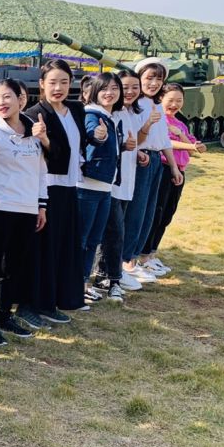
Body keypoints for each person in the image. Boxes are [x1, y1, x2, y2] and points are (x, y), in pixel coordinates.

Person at [0, 79, 48, 345]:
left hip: (27, 209)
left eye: (7, 97)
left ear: (21, 99)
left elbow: (41, 172)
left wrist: (41, 206)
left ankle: (4, 315)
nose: (1, 103)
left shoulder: (34, 130)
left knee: (15, 267)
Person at [22, 59, 87, 324]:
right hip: (47, 187)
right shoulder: (34, 114)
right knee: (43, 248)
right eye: (52, 82)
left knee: (63, 245)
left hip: (70, 185)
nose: (58, 88)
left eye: (64, 82)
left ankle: (60, 298)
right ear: (41, 84)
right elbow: (38, 155)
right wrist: (45, 140)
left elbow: (81, 144)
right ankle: (36, 304)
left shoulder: (76, 110)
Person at [124, 57, 183, 280]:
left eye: (159, 79)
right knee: (136, 211)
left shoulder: (156, 104)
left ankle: (136, 257)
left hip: (156, 159)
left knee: (149, 213)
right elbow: (134, 138)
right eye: (149, 78)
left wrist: (174, 167)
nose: (154, 83)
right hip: (141, 159)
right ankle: (127, 261)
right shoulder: (135, 104)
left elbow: (164, 139)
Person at [94, 69, 144, 299]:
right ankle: (108, 275)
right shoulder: (104, 115)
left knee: (116, 229)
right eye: (123, 87)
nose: (128, 92)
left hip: (124, 180)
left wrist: (134, 150)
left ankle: (109, 273)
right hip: (109, 183)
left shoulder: (126, 113)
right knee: (113, 231)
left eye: (134, 87)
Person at [141, 84, 204, 265]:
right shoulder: (158, 118)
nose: (174, 104)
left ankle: (152, 253)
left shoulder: (180, 124)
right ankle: (144, 254)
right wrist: (190, 145)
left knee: (167, 215)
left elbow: (192, 148)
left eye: (179, 100)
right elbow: (166, 142)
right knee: (156, 213)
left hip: (179, 170)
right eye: (170, 100)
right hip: (164, 168)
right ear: (161, 99)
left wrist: (182, 135)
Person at [78, 73, 124, 303]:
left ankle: (83, 283)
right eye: (104, 88)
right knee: (82, 239)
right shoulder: (92, 114)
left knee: (93, 239)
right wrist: (98, 135)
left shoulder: (109, 116)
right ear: (95, 91)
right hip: (88, 186)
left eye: (114, 88)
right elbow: (92, 134)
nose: (109, 93)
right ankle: (75, 283)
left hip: (104, 187)